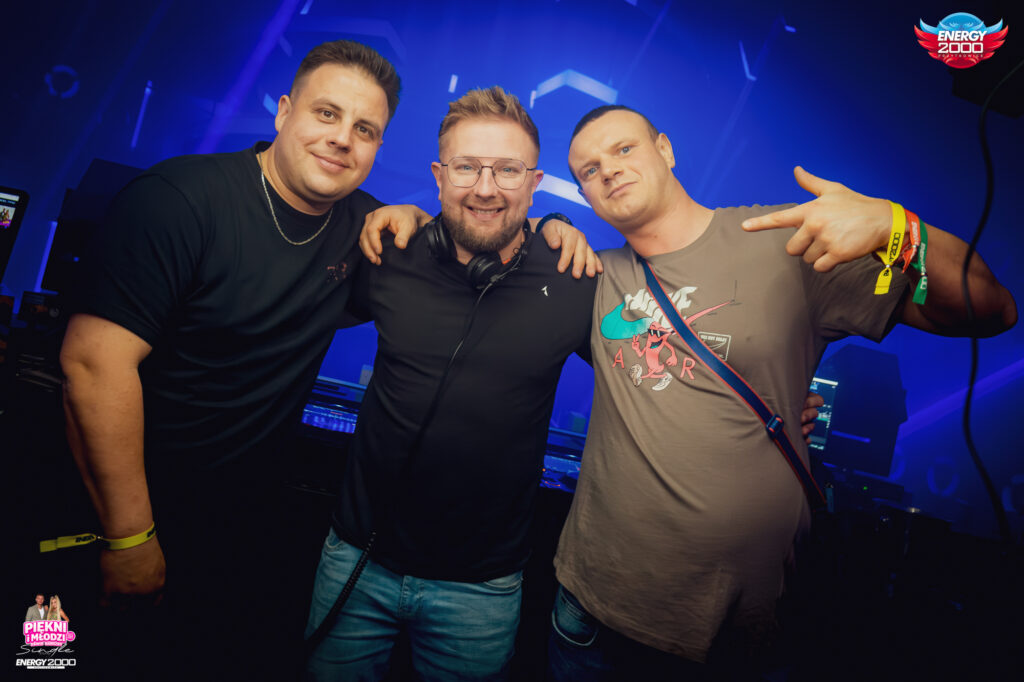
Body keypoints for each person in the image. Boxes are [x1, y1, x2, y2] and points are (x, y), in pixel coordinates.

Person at [58, 41, 589, 680]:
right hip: (146, 519)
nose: (342, 138)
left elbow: (472, 232)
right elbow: (91, 366)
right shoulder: (186, 200)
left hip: (266, 531)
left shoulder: (392, 236)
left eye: (364, 128)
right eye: (326, 114)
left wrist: (553, 226)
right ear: (284, 112)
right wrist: (128, 536)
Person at [548, 105, 1017, 681]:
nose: (610, 170)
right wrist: (551, 222)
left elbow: (988, 308)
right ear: (586, 195)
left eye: (624, 149)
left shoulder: (783, 242)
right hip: (590, 614)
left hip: (730, 631)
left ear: (665, 149)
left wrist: (897, 228)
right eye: (590, 169)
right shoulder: (596, 276)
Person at [304, 86, 597, 681]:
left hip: (482, 590)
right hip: (357, 558)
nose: (486, 188)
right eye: (466, 167)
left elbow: (654, 369)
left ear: (534, 183)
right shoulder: (390, 252)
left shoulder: (573, 279)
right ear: (439, 177)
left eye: (507, 170)